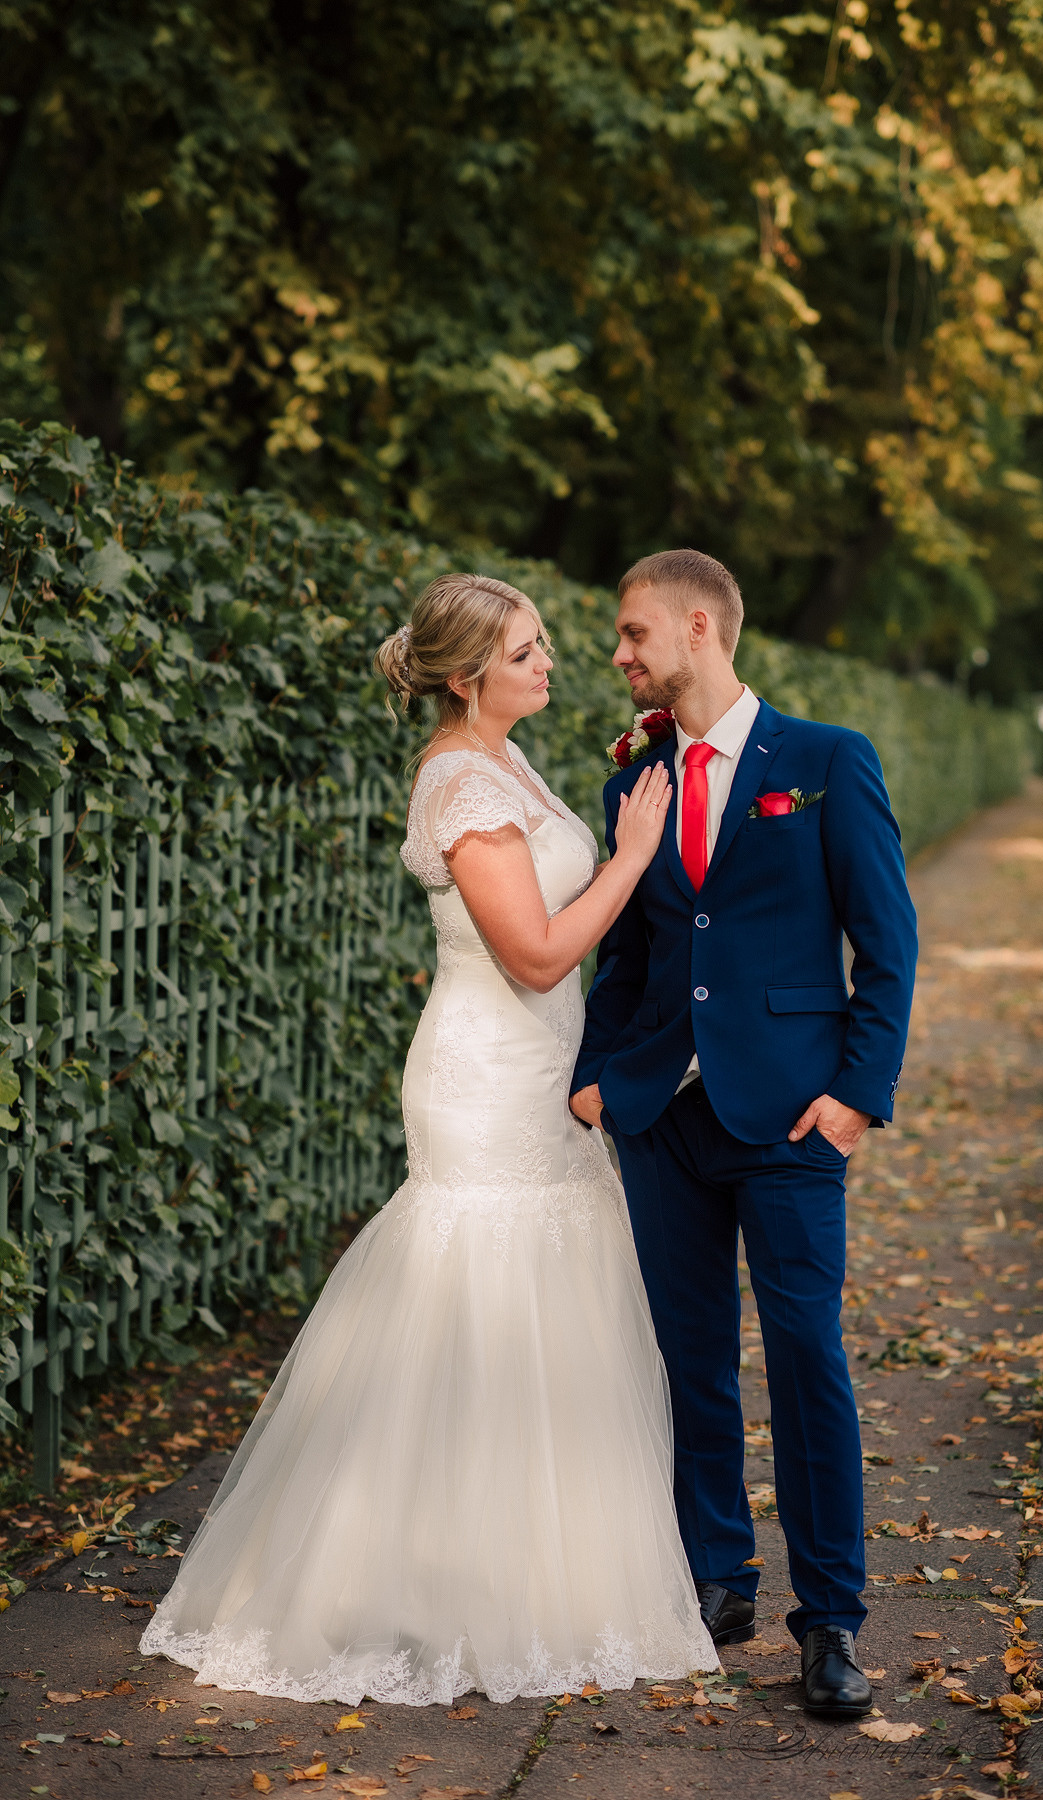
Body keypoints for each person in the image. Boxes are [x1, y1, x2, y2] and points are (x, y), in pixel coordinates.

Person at [141, 572, 717, 1706]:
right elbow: (537, 955)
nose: (551, 662)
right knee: (471, 1294)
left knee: (543, 1308)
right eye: (523, 652)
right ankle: (398, 1578)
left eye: (546, 643)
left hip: (543, 1070)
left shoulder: (506, 759)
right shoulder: (457, 777)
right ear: (465, 680)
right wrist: (635, 855)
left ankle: (519, 1573)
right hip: (483, 1074)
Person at [570, 549, 918, 1719]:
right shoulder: (635, 782)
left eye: (631, 634)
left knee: (807, 1362)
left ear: (699, 625)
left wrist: (856, 1096)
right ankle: (713, 1579)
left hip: (789, 1117)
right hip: (661, 1117)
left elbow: (886, 942)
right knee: (687, 1358)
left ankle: (828, 1622)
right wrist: (591, 1079)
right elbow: (626, 955)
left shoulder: (826, 761)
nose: (616, 655)